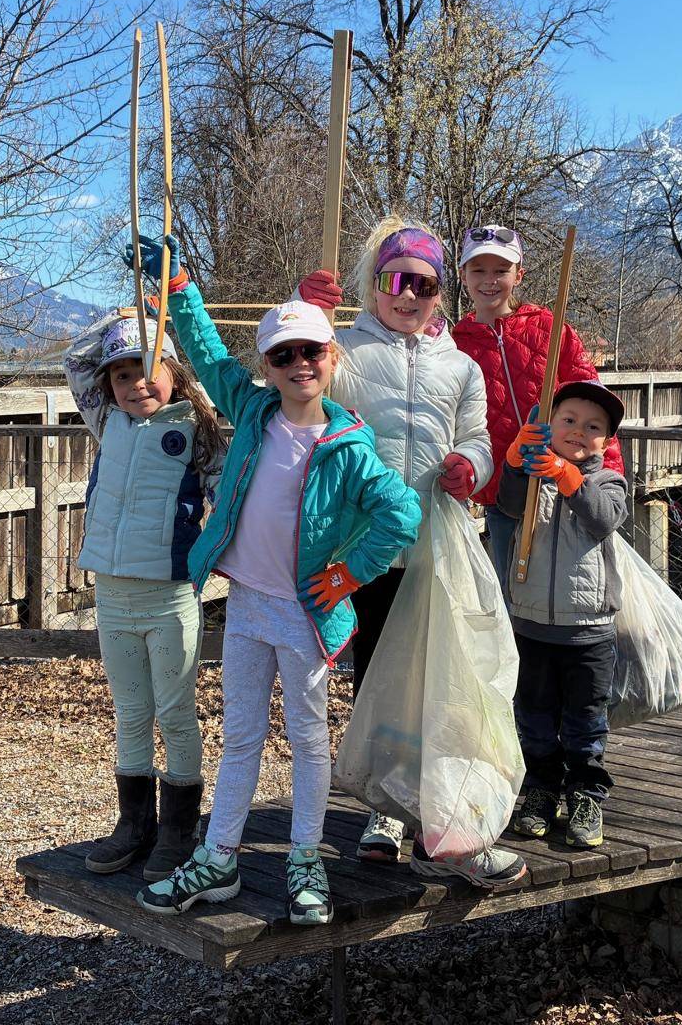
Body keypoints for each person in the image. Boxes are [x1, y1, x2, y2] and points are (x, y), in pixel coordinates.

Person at [131, 238, 421, 925]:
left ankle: (305, 859)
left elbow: (401, 513)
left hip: (305, 611)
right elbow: (202, 351)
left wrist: (352, 572)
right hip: (248, 602)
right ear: (267, 365)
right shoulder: (255, 412)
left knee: (309, 735)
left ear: (331, 357)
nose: (298, 364)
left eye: (311, 351)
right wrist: (177, 285)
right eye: (283, 354)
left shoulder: (350, 447)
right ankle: (220, 856)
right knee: (239, 735)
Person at [298, 217, 527, 890]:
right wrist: (308, 320)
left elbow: (480, 437)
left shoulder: (457, 365)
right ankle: (383, 810)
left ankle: (439, 807)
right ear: (375, 284)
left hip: (436, 546)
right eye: (397, 279)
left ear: (438, 291)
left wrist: (468, 464)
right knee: (378, 679)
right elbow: (295, 392)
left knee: (446, 682)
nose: (409, 294)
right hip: (363, 549)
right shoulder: (342, 353)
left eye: (424, 283)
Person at [62, 312, 225, 881]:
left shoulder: (199, 433)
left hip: (170, 595)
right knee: (131, 711)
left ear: (174, 374)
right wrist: (129, 317)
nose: (136, 386)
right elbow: (76, 360)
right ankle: (135, 823)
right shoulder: (108, 422)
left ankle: (180, 824)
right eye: (123, 376)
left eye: (148, 371)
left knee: (176, 711)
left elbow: (225, 501)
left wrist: (163, 332)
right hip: (113, 594)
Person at [449, 225, 626, 600]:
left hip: (565, 490)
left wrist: (607, 477)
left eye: (501, 270)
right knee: (514, 601)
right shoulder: (453, 345)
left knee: (575, 599)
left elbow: (593, 402)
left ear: (518, 275)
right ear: (462, 274)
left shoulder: (548, 328)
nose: (490, 280)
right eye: (478, 269)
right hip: (504, 497)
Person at [496, 379, 629, 849]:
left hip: (588, 631)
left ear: (606, 441)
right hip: (531, 623)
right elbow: (507, 505)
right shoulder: (532, 476)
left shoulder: (607, 482)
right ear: (549, 425)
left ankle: (586, 794)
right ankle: (540, 790)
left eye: (592, 426)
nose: (578, 431)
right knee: (532, 715)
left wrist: (566, 478)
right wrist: (516, 462)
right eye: (567, 420)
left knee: (585, 720)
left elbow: (602, 518)